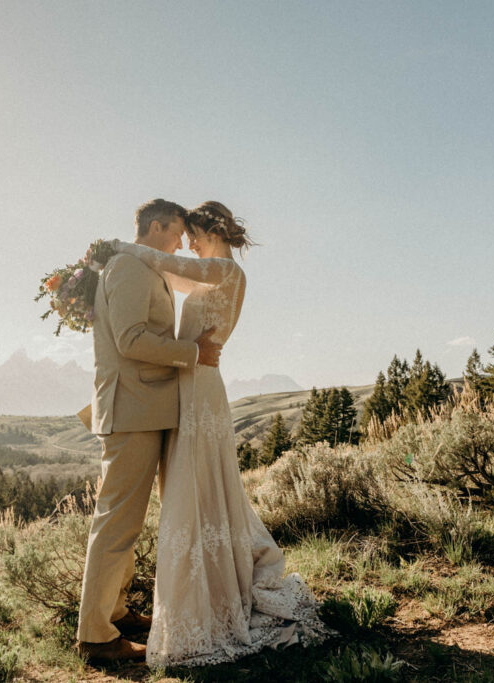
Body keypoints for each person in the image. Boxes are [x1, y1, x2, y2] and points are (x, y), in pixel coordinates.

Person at [111, 201, 329, 667]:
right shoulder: (211, 272)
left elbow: (163, 262)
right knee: (195, 488)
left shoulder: (225, 271)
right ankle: (206, 590)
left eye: (192, 233)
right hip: (191, 384)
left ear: (212, 230)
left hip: (199, 387)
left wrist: (108, 251)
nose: (187, 242)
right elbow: (168, 278)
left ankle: (209, 603)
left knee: (198, 488)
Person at [75, 199, 223, 662]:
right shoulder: (128, 269)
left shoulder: (144, 269)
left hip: (146, 408)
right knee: (116, 520)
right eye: (177, 232)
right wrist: (191, 351)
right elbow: (131, 339)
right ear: (155, 226)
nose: (181, 243)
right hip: (132, 410)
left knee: (127, 522)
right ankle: (96, 636)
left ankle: (115, 612)